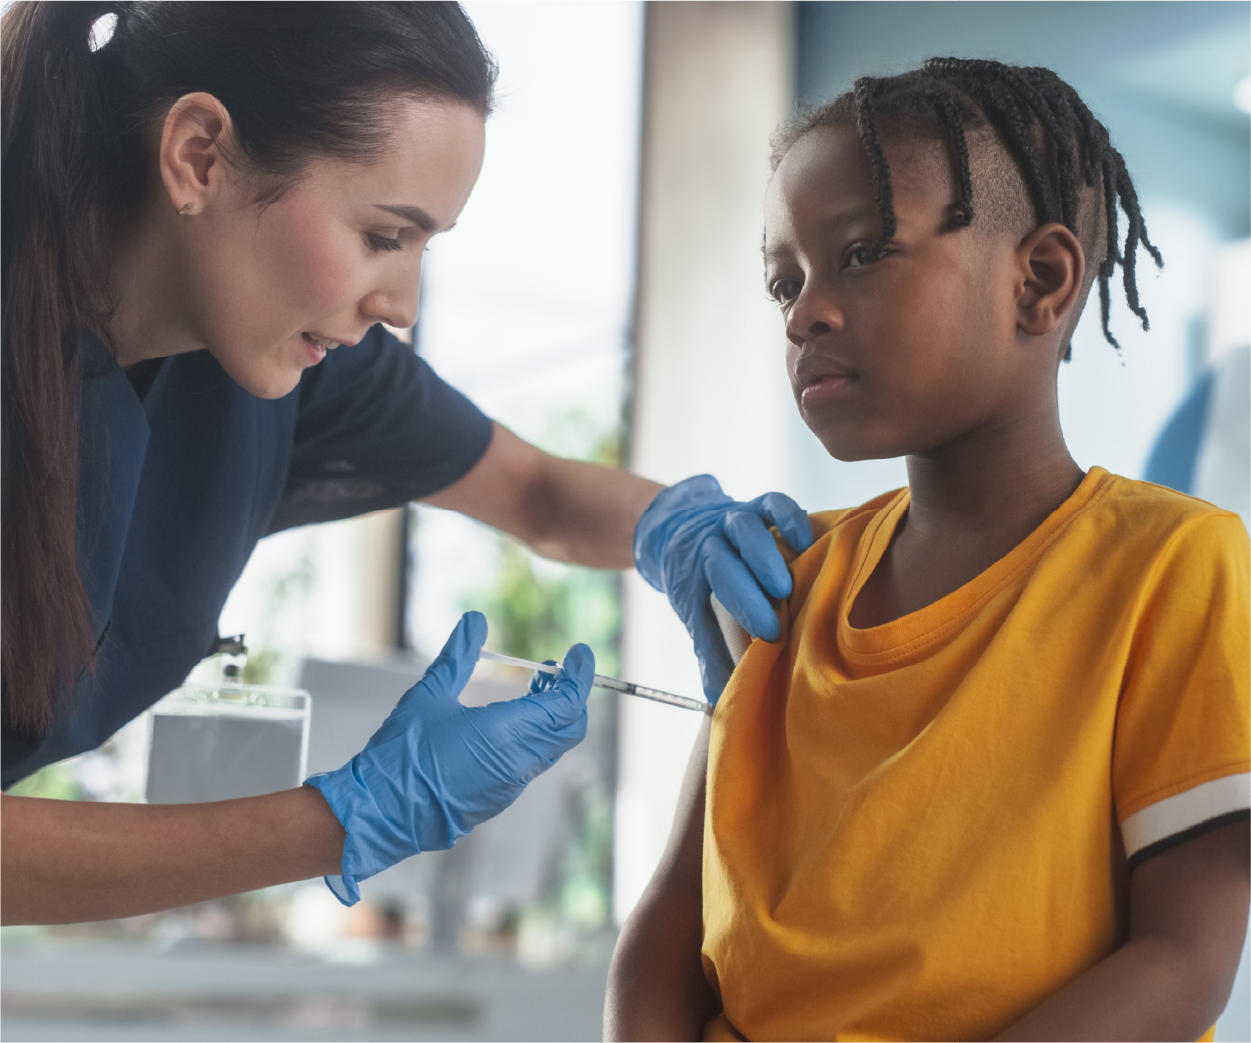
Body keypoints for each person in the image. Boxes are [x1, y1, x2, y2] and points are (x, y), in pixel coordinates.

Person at [0, 0, 813, 925]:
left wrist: (678, 527)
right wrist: (343, 819)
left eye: (424, 247)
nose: (401, 305)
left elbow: (535, 490)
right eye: (384, 235)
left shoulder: (277, 364)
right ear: (199, 156)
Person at [606, 58, 1251, 1043]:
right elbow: (665, 931)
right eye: (785, 281)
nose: (802, 311)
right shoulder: (786, 578)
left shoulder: (1173, 567)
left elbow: (1185, 960)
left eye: (860, 253)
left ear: (1038, 280)